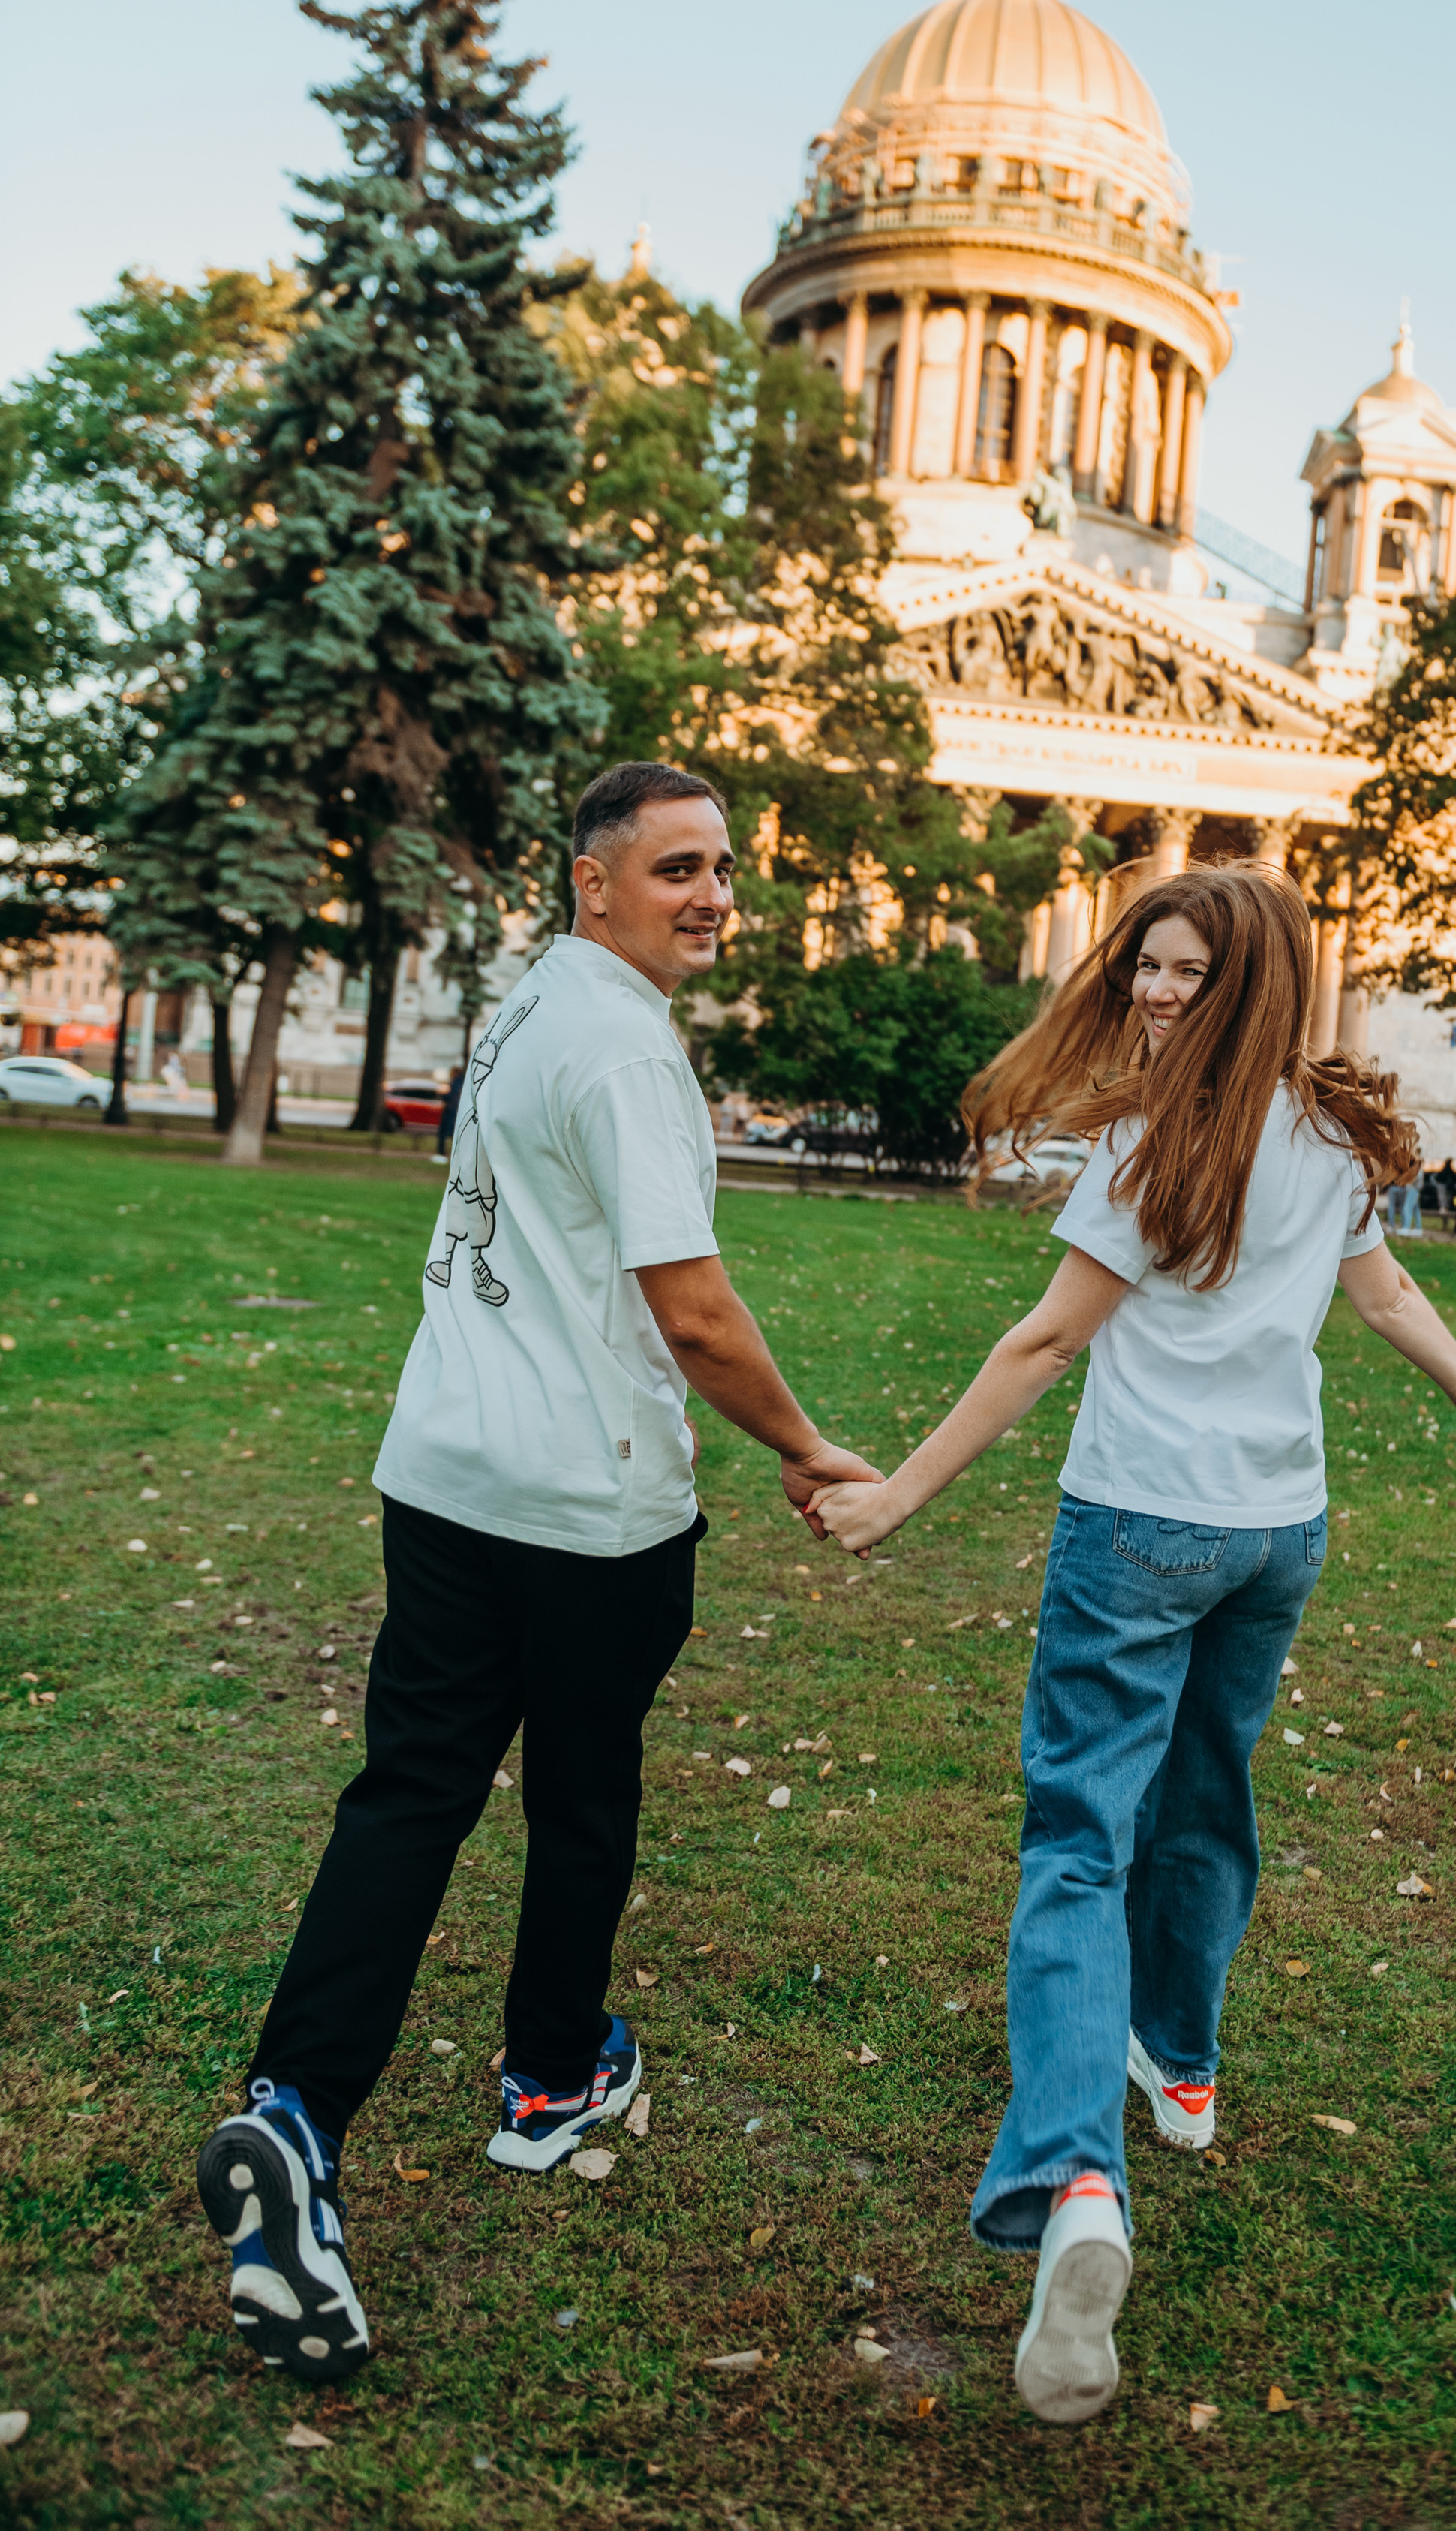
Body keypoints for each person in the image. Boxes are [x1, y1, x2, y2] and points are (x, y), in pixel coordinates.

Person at [813, 863, 1456, 2427]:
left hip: (1142, 1530)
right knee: (1207, 1790)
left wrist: (898, 1499)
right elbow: (1382, 1284)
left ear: (1250, 979)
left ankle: (1077, 2178)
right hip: (1275, 1535)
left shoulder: (1156, 1146)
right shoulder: (1332, 1133)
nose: (1150, 990)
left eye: (1178, 971)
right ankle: (1180, 2064)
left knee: (1082, 1839)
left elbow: (1042, 1340)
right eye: (1142, 965)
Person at [195, 761, 879, 2388]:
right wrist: (803, 1443)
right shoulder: (625, 1047)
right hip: (584, 1508)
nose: (712, 896)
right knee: (581, 1800)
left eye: (721, 869)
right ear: (592, 881)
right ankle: (544, 2086)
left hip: (444, 1478)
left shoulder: (528, 1008)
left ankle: (300, 2106)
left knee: (409, 1797)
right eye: (676, 870)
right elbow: (694, 1311)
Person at [433, 1059, 465, 1164]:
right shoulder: (460, 1082)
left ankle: (442, 1153)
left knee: (446, 1133)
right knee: (449, 1133)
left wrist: (442, 1095)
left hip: (451, 1110)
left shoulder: (457, 1082)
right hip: (453, 1110)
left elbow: (452, 1096)